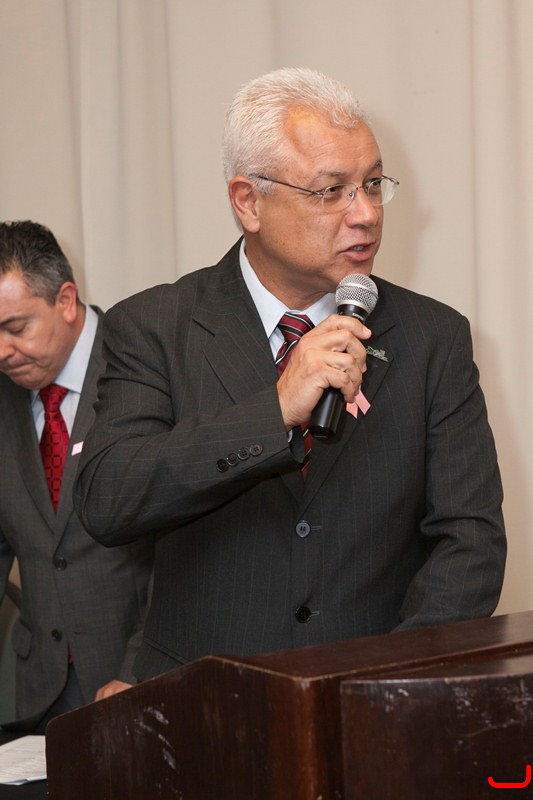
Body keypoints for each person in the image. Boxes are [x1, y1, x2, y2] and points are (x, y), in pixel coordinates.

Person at [74, 68, 506, 682]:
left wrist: (385, 684)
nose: (365, 214)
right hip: (205, 700)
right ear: (248, 202)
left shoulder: (433, 336)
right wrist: (272, 411)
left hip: (375, 699)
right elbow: (108, 500)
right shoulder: (155, 326)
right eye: (331, 191)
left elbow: (470, 541)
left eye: (373, 184)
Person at [0, 220, 153, 732]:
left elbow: (186, 550)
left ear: (66, 301)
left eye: (15, 328)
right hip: (37, 693)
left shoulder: (142, 366)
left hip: (137, 678)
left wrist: (138, 669)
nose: (1, 351)